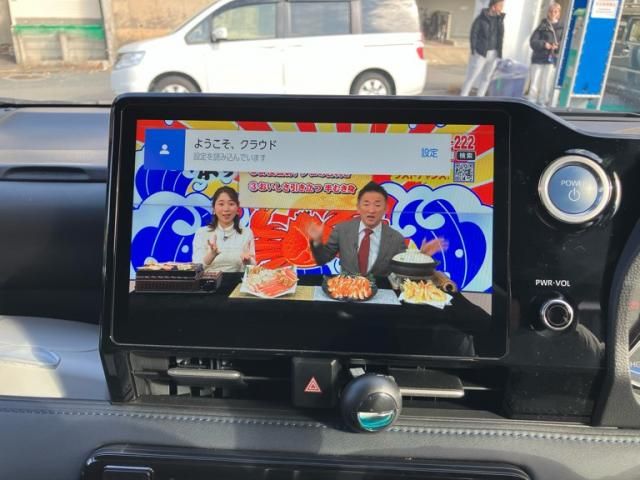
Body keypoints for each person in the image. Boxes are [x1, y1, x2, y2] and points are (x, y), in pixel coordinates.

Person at [307, 181, 447, 277]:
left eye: (377, 205)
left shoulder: (396, 238)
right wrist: (316, 241)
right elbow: (322, 259)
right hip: (347, 292)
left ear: (386, 209)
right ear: (358, 207)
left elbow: (404, 268)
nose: (371, 210)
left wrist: (421, 257)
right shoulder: (342, 230)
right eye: (366, 204)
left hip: (381, 295)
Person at [192, 186, 256, 273]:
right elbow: (196, 266)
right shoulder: (202, 233)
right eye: (221, 204)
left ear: (237, 209)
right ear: (214, 208)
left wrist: (247, 261)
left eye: (231, 204)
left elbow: (252, 268)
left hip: (237, 280)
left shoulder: (246, 233)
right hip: (207, 279)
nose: (226, 209)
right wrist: (211, 255)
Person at [460, 0, 506, 97]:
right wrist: (474, 49)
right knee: (472, 76)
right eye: (500, 5)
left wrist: (499, 52)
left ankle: (480, 98)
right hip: (481, 53)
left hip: (494, 53)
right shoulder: (480, 19)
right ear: (493, 6)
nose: (502, 8)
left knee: (487, 77)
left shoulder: (499, 20)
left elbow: (500, 36)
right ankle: (463, 96)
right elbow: (473, 34)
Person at [528, 2, 564, 106]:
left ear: (559, 14)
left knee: (546, 83)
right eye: (551, 11)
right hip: (538, 58)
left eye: (555, 11)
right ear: (548, 12)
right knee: (534, 82)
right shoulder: (542, 26)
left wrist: (557, 47)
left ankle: (542, 103)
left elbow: (563, 43)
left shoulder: (562, 28)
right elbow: (533, 41)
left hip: (551, 58)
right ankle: (531, 102)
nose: (553, 13)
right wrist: (544, 44)